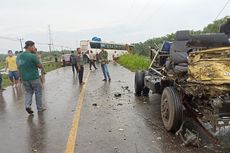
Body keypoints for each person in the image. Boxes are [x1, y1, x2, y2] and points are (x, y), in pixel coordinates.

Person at [16, 41, 46, 114]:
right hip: (34, 78)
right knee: (38, 92)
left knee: (28, 92)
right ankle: (40, 108)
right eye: (33, 46)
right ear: (29, 46)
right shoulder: (32, 56)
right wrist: (36, 55)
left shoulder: (19, 56)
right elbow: (40, 66)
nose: (34, 48)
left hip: (25, 79)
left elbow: (18, 68)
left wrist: (20, 78)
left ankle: (27, 106)